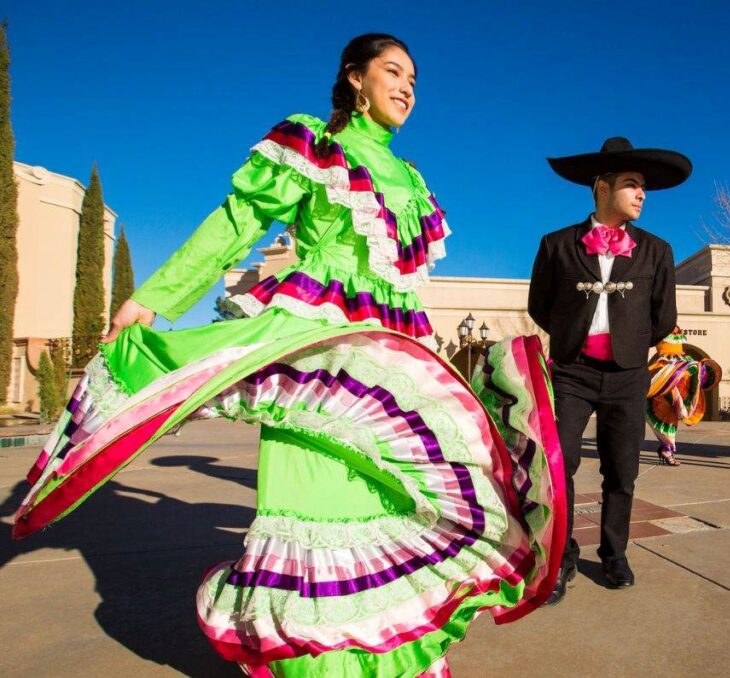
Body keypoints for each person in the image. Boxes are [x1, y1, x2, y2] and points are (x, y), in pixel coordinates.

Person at [14, 34, 566, 677]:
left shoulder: (412, 180)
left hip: (390, 373)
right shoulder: (315, 144)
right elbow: (238, 220)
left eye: (415, 77)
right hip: (316, 356)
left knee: (407, 506)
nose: (408, 86)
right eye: (393, 71)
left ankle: (385, 664)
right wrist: (154, 299)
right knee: (318, 508)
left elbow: (407, 283)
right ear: (355, 79)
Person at [528, 136, 687, 603]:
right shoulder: (556, 245)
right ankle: (562, 556)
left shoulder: (657, 251)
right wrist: (571, 338)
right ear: (602, 187)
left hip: (628, 374)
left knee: (622, 469)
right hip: (571, 371)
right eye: (633, 185)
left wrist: (633, 347)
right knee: (563, 465)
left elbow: (664, 317)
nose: (642, 194)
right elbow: (540, 306)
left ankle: (615, 553)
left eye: (644, 188)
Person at [645, 327, 722, 465]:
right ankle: (667, 449)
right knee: (667, 412)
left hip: (680, 367)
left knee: (673, 414)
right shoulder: (656, 324)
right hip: (667, 368)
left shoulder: (673, 327)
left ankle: (666, 449)